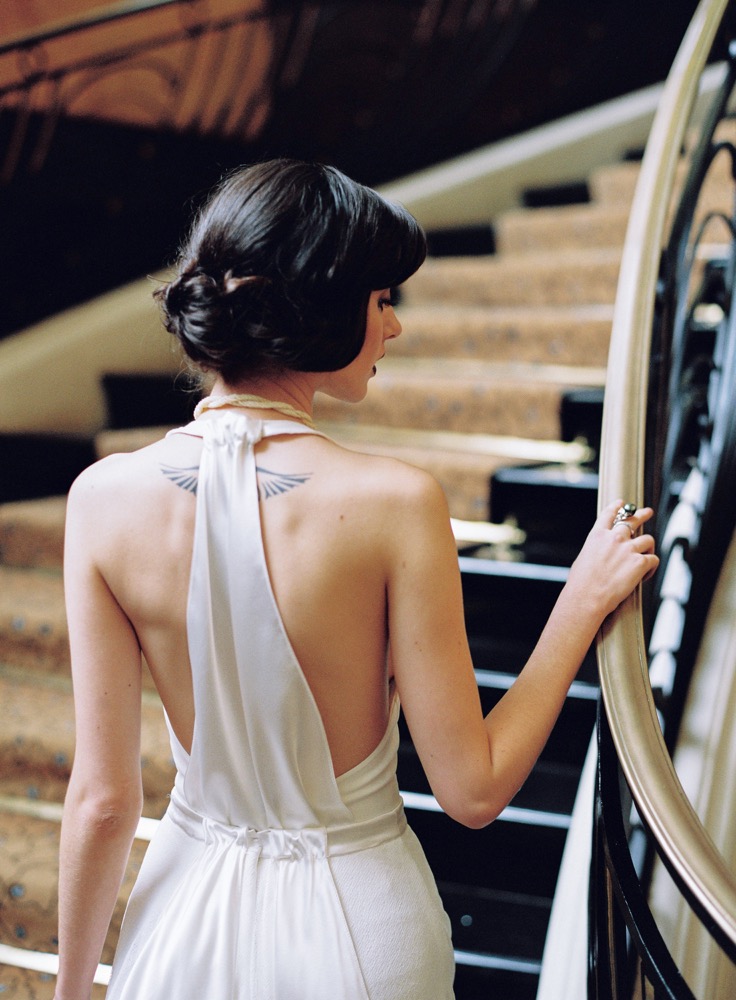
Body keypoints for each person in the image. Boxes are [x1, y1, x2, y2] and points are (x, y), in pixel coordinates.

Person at [54, 158, 658, 1000]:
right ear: (317, 309)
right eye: (382, 300)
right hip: (361, 932)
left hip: (181, 921)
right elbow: (473, 790)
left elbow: (103, 802)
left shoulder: (99, 499)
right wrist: (578, 602)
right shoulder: (395, 503)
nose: (396, 328)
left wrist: (72, 985)